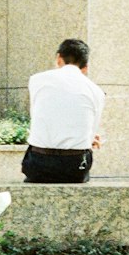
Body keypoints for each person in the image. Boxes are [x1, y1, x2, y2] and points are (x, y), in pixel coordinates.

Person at [21, 38, 104, 184]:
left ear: (59, 58)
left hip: (39, 163)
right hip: (75, 166)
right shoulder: (96, 91)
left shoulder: (36, 80)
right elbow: (91, 133)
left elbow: (38, 114)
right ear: (85, 67)